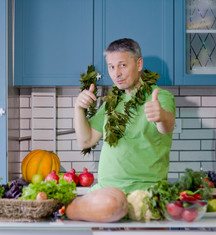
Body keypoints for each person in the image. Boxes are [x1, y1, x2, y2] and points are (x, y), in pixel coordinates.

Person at [74, 38, 176, 194]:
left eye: (122, 65)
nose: (116, 74)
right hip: (106, 191)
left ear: (139, 64)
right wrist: (78, 108)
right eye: (111, 67)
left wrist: (161, 116)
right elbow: (86, 141)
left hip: (144, 192)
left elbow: (167, 127)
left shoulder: (161, 97)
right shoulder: (112, 101)